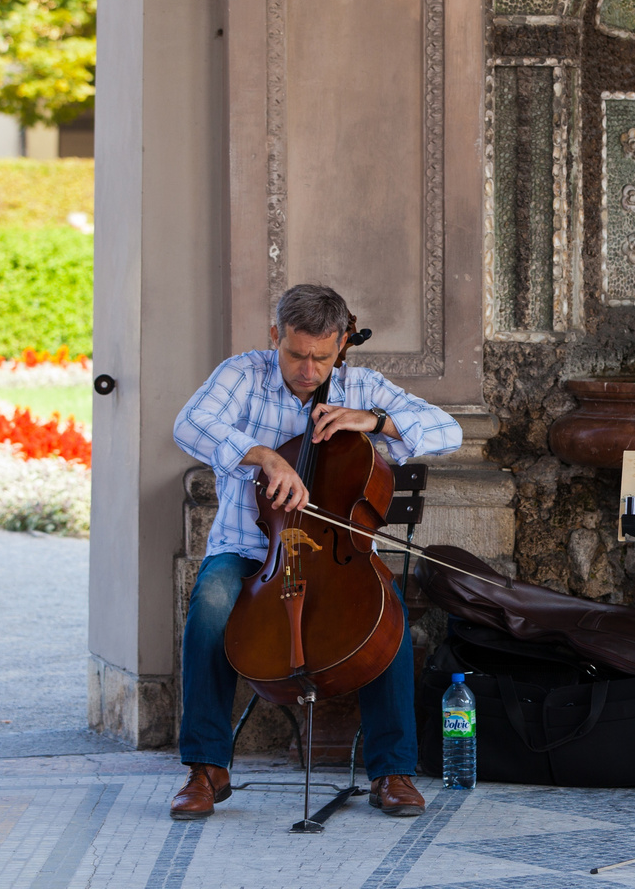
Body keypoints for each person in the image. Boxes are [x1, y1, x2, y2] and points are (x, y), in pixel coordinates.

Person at [168, 284, 462, 819]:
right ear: (276, 335)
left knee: (384, 613)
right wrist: (260, 455)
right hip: (251, 549)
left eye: (322, 358)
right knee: (210, 603)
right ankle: (206, 768)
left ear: (342, 342)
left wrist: (372, 421)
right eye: (297, 355)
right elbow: (189, 424)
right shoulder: (243, 374)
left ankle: (392, 770)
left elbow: (449, 431)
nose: (308, 370)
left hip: (334, 557)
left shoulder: (361, 385)